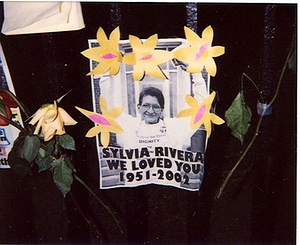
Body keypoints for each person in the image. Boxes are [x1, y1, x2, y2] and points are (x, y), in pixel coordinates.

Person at [115, 73, 208, 150]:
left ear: (161, 110)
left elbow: (201, 109)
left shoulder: (174, 128)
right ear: (139, 108)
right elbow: (110, 105)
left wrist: (195, 72)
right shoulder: (130, 128)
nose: (150, 111)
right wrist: (107, 69)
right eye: (146, 105)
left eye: (155, 107)